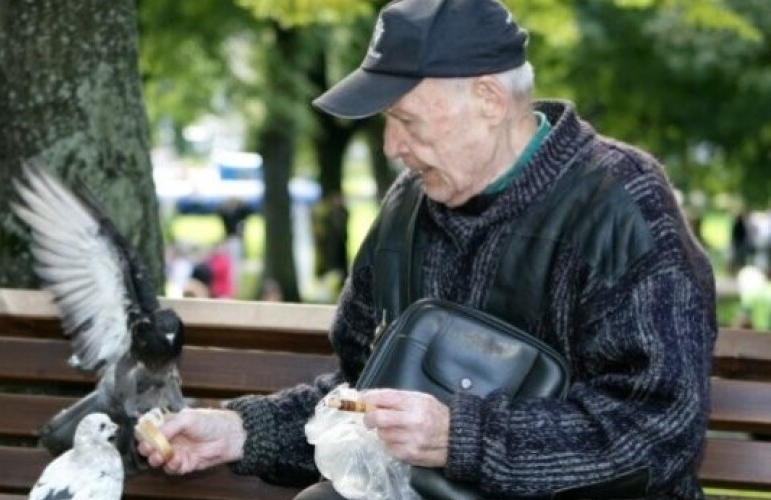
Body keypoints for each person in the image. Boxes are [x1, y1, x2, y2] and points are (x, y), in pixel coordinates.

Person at [138, 0, 717, 497]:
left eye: (407, 121)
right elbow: (361, 396)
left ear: (489, 99)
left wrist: (462, 438)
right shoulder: (406, 207)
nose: (391, 145)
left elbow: (658, 430)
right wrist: (241, 430)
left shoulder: (622, 204)